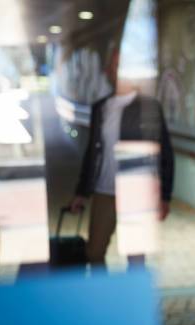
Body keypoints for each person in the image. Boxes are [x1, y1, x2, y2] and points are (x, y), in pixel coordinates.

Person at [69, 76, 174, 265]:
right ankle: (103, 293)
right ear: (109, 70)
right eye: (115, 65)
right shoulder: (101, 107)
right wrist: (81, 192)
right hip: (104, 191)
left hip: (135, 193)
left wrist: (164, 196)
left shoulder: (148, 106)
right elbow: (92, 152)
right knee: (94, 252)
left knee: (135, 256)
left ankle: (133, 294)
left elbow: (164, 152)